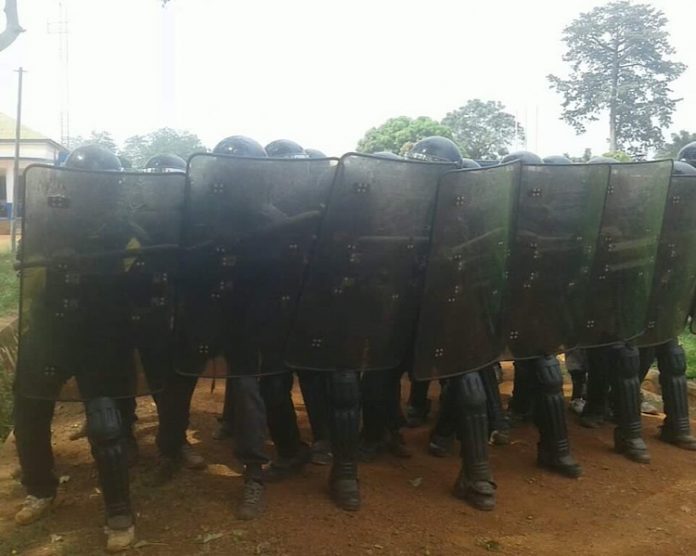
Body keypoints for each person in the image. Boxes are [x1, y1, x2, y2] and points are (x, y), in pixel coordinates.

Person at [13, 144, 176, 552]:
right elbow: (26, 275)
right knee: (29, 413)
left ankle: (119, 510)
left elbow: (144, 288)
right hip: (51, 330)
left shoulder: (127, 231)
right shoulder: (46, 222)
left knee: (106, 424)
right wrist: (51, 262)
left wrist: (115, 269)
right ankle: (40, 489)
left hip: (102, 334)